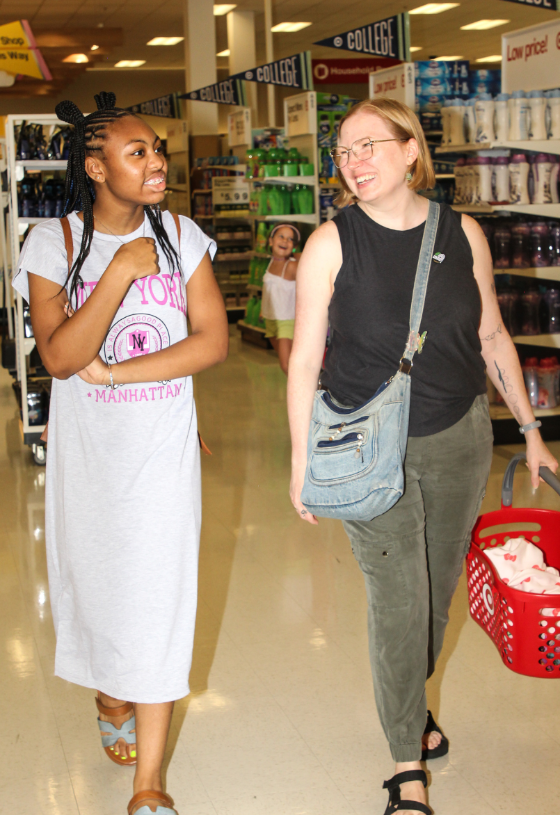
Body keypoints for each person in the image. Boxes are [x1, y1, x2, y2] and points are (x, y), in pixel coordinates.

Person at [287, 98, 558, 815]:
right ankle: (406, 763)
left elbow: (492, 335)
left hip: (459, 439)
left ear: (411, 151)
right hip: (365, 447)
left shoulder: (461, 232)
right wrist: (300, 460)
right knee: (399, 602)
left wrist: (529, 428)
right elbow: (305, 359)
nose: (353, 161)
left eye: (368, 145)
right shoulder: (331, 244)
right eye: (343, 151)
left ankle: (409, 703)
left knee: (435, 597)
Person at [12, 93, 228, 815]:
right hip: (90, 457)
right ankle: (112, 695)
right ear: (97, 167)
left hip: (164, 451)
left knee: (163, 594)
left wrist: (121, 375)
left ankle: (149, 783)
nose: (157, 161)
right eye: (139, 152)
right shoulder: (53, 243)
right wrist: (119, 273)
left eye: (157, 149)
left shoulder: (182, 235)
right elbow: (60, 356)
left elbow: (212, 341)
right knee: (104, 590)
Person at [261, 223, 299, 374]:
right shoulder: (271, 262)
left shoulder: (292, 266)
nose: (285, 241)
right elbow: (269, 290)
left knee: (286, 365)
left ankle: (311, 388)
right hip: (270, 319)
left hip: (287, 320)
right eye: (281, 236)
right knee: (289, 363)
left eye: (290, 239)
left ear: (294, 246)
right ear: (270, 241)